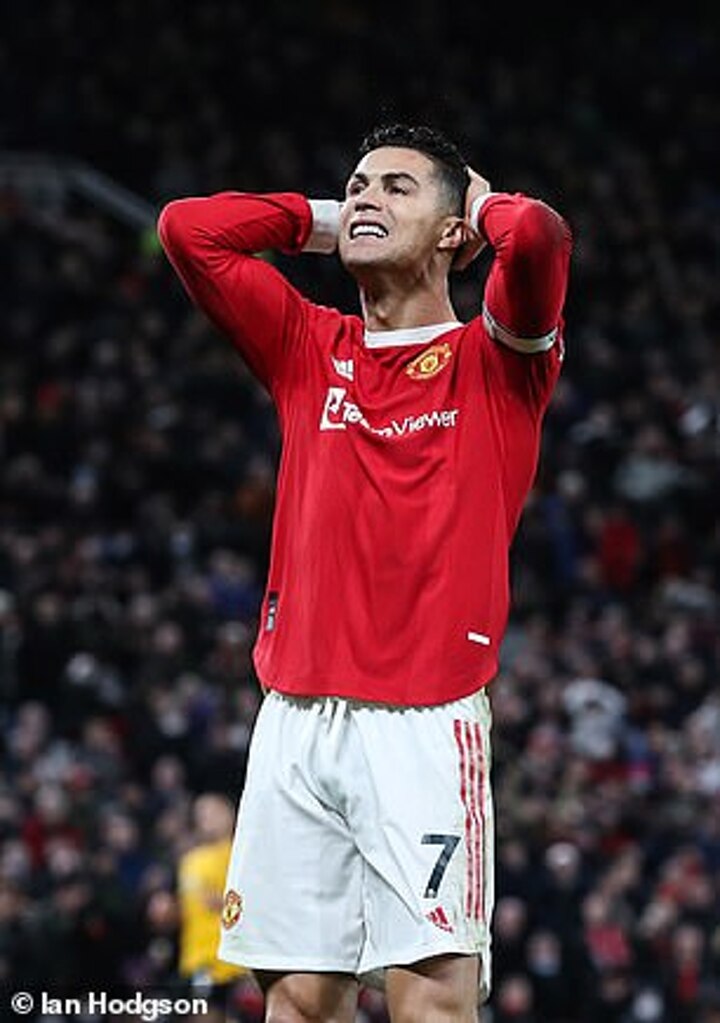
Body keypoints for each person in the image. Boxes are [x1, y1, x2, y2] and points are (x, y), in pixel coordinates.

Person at [158, 123, 572, 1023]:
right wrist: (328, 220)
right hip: (295, 719)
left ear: (455, 230)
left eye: (395, 187)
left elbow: (539, 237)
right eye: (356, 187)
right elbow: (189, 229)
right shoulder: (309, 345)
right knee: (298, 1004)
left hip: (422, 722)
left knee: (429, 1004)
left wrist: (483, 205)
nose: (366, 199)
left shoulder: (496, 361)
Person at [177, 792, 253, 1021]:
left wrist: (225, 904)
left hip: (241, 961)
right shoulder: (191, 860)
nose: (207, 819)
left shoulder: (244, 855)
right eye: (201, 815)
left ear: (231, 814)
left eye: (214, 812)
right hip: (202, 959)